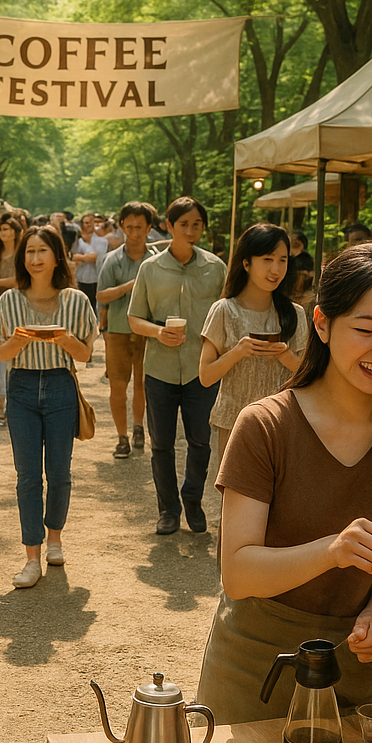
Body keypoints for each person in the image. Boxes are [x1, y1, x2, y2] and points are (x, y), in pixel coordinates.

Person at [196, 243, 372, 723]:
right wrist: (331, 551)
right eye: (366, 330)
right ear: (322, 324)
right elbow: (239, 571)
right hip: (255, 663)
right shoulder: (265, 426)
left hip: (355, 659)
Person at [0, 226, 99, 588]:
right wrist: (17, 340)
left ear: (57, 257)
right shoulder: (9, 300)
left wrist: (66, 338)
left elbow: (84, 355)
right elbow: (1, 354)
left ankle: (55, 539)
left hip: (60, 385)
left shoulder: (75, 300)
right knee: (26, 477)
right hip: (21, 387)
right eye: (29, 252)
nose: (35, 259)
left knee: (60, 472)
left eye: (42, 251)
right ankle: (31, 556)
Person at [128, 197, 228, 535]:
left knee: (201, 440)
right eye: (183, 224)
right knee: (161, 444)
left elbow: (227, 315)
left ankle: (193, 500)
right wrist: (158, 331)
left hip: (203, 370)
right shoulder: (150, 269)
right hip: (160, 370)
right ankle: (168, 509)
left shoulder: (216, 267)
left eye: (197, 224)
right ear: (168, 227)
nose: (191, 230)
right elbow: (133, 318)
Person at [199, 224, 309, 478]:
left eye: (282, 260)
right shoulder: (224, 310)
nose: (276, 269)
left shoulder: (295, 314)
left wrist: (285, 355)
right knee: (233, 504)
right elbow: (206, 376)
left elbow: (308, 374)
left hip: (281, 424)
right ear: (246, 263)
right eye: (267, 259)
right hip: (233, 422)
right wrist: (238, 351)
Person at [97, 202, 156, 459]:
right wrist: (130, 286)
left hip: (149, 332)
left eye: (140, 227)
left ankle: (139, 427)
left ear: (149, 228)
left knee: (144, 385)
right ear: (122, 227)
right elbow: (101, 294)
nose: (134, 232)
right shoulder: (112, 260)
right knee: (118, 388)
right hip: (118, 331)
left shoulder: (157, 259)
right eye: (129, 226)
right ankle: (122, 437)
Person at [0, 213, 23, 427]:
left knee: (13, 359)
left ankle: (13, 405)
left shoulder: (22, 252)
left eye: (7, 229)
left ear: (16, 231)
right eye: (1, 229)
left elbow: (21, 280)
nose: (3, 233)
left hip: (17, 309)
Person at [71, 212, 110, 314]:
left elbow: (95, 257)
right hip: (81, 278)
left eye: (92, 222)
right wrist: (84, 257)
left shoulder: (102, 241)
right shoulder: (77, 242)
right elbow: (72, 256)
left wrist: (81, 257)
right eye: (86, 222)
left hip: (97, 278)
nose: (89, 225)